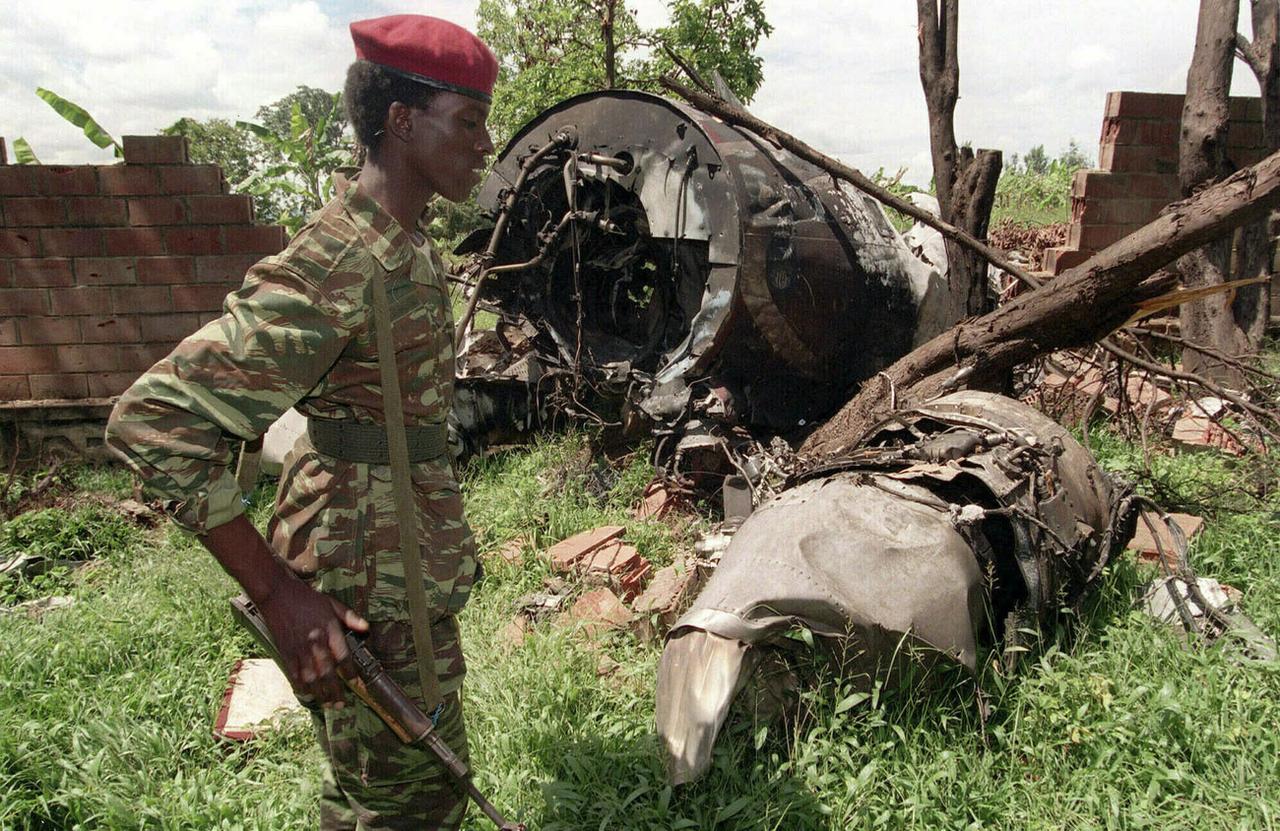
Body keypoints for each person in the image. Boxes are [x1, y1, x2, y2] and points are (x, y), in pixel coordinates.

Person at [105, 14, 497, 830]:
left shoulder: (405, 244)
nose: (484, 143)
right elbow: (153, 418)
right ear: (401, 122)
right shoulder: (341, 261)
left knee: (374, 797)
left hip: (401, 569)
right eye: (468, 122)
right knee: (414, 804)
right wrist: (279, 593)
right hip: (365, 590)